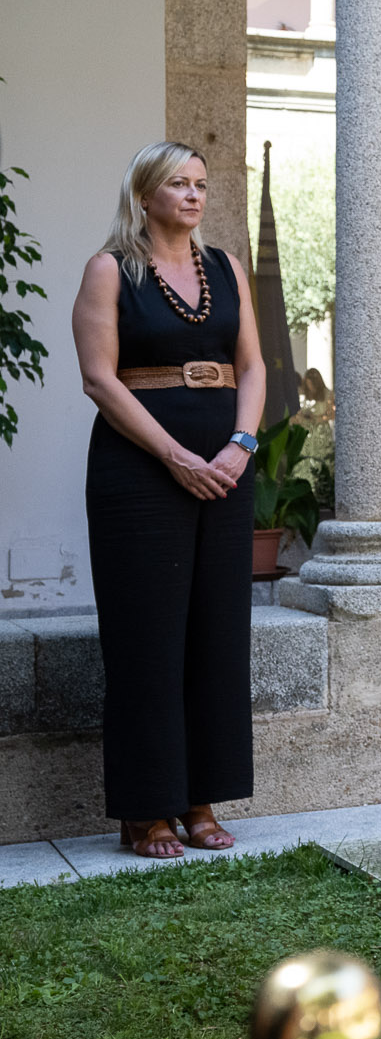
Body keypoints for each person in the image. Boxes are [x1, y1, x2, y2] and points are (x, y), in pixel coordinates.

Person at [72, 141, 265, 861]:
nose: (193, 195)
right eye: (177, 185)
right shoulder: (109, 270)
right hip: (139, 471)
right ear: (145, 195)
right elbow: (99, 379)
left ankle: (200, 799)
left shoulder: (225, 270)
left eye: (200, 184)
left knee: (215, 634)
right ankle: (144, 810)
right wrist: (176, 456)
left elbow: (252, 366)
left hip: (224, 468)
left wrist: (239, 447)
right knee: (145, 638)